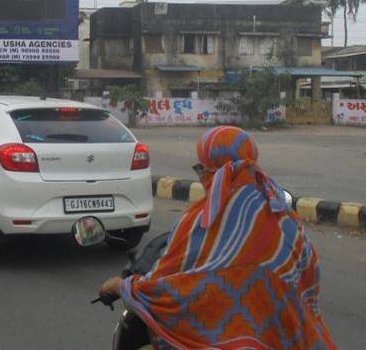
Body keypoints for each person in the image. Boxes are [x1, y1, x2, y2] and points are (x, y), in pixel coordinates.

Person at [97, 126, 336, 349]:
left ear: (212, 170)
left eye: (200, 168)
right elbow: (309, 282)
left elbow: (164, 289)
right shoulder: (284, 216)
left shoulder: (203, 221)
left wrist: (120, 286)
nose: (200, 176)